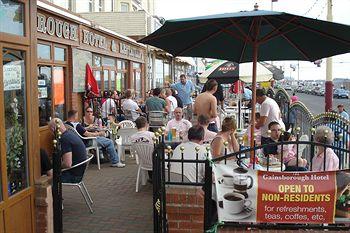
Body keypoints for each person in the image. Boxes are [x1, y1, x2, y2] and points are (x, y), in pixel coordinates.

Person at [48, 118, 87, 183]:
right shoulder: (70, 133)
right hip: (79, 172)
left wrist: (55, 167)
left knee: (47, 181)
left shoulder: (64, 139)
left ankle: (53, 193)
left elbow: (68, 164)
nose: (52, 134)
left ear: (54, 129)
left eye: (50, 131)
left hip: (74, 176)